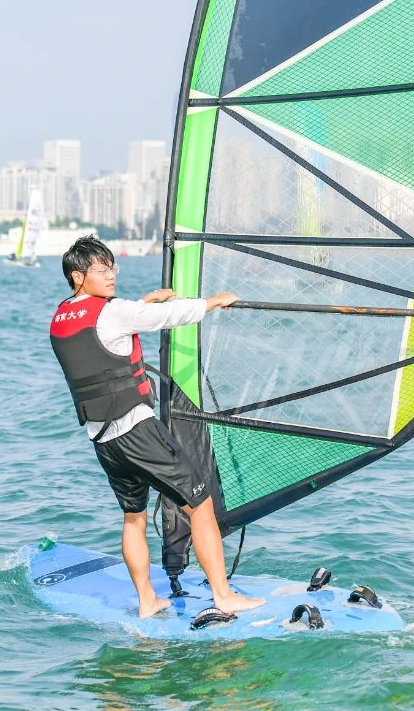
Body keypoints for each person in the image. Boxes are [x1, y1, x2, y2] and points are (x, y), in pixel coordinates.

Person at [49, 235, 265, 619]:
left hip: (102, 438)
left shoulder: (61, 316)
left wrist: (143, 303)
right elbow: (166, 317)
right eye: (100, 270)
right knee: (200, 504)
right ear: (78, 276)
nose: (111, 275)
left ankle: (147, 601)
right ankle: (224, 595)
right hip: (137, 430)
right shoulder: (114, 311)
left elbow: (105, 332)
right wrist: (214, 301)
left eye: (112, 267)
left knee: (133, 517)